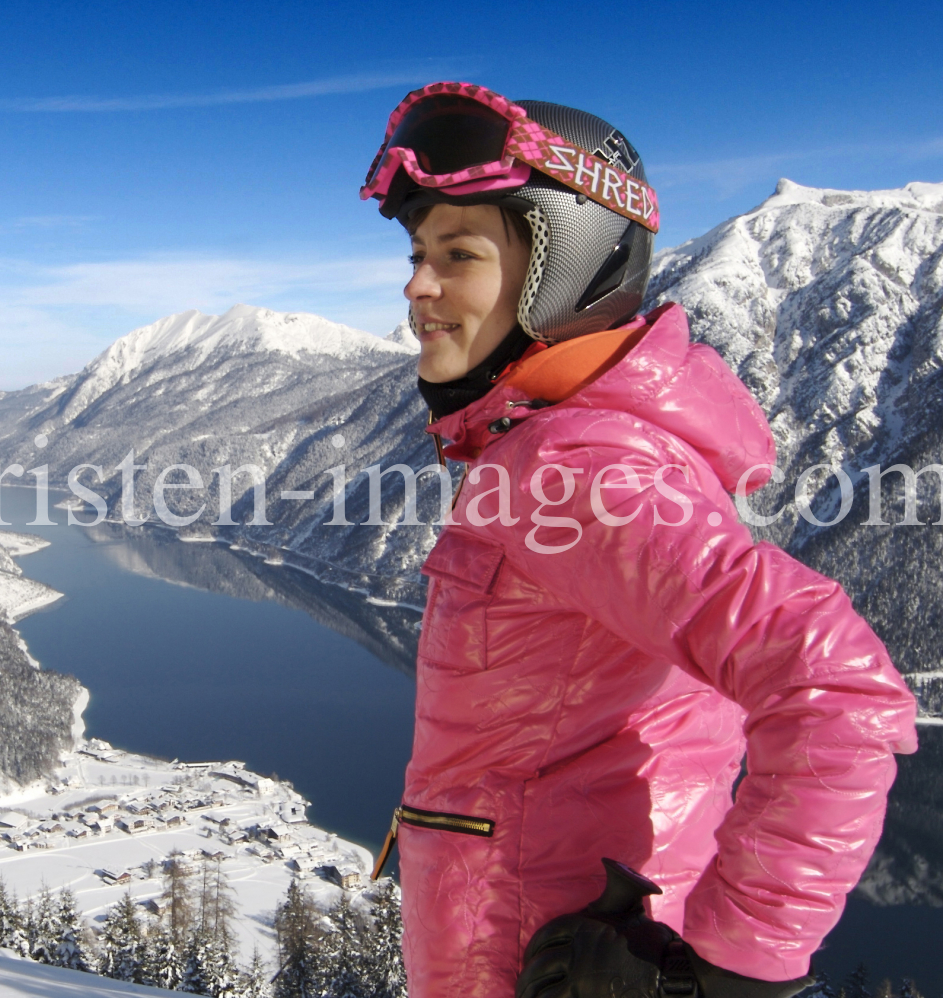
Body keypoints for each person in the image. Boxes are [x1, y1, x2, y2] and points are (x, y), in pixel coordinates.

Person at [360, 82, 918, 998]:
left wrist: (740, 968)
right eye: (419, 253)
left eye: (458, 255)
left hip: (540, 958)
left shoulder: (576, 464)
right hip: (550, 939)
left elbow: (835, 690)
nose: (416, 286)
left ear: (565, 268)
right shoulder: (560, 441)